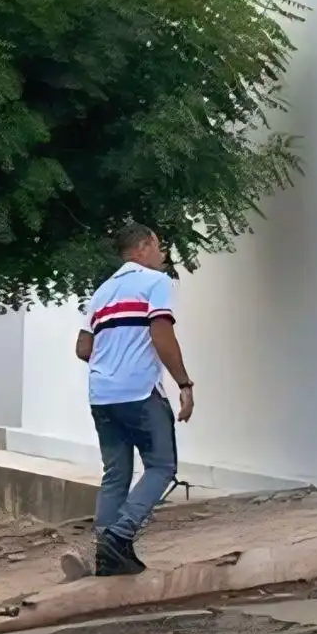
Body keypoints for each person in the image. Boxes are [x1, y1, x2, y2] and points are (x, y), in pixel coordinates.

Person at [75, 220, 194, 576]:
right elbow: (161, 333)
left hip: (102, 395)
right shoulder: (155, 282)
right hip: (139, 392)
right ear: (143, 246)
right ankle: (119, 535)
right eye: (158, 246)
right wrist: (184, 384)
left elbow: (83, 347)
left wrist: (113, 355)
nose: (162, 254)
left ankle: (104, 553)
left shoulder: (100, 292)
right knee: (161, 467)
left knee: (116, 473)